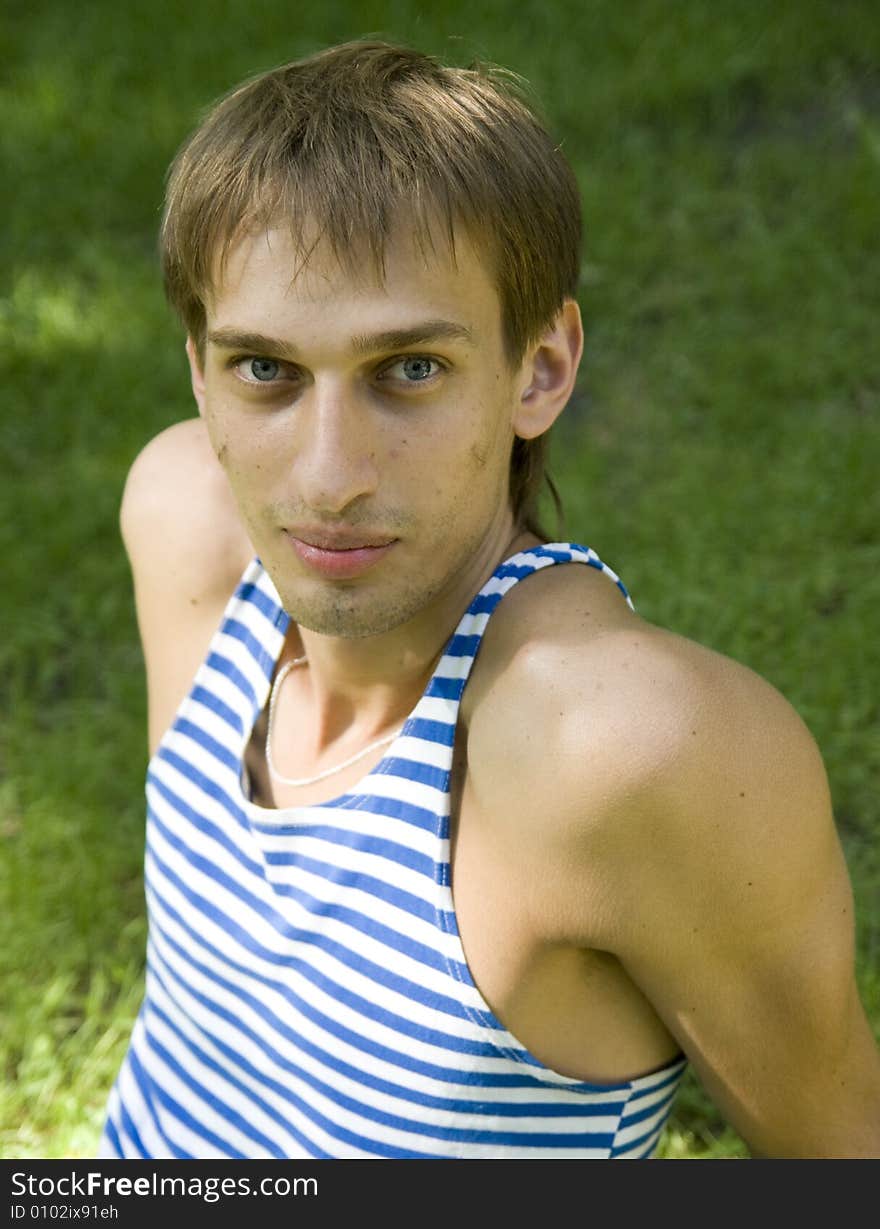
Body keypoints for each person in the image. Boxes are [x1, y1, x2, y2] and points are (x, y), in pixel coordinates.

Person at [100, 39, 880, 1160]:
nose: (326, 475)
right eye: (266, 369)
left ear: (539, 368)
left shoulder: (613, 748)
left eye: (408, 368)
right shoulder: (186, 521)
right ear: (197, 368)